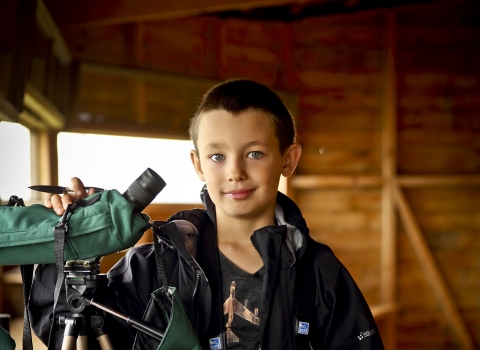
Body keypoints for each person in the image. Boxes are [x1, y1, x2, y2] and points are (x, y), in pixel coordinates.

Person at [28, 79, 384, 349]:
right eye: (217, 156)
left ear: (288, 159)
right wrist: (64, 246)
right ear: (197, 164)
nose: (235, 172)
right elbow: (62, 326)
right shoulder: (156, 266)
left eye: (255, 153)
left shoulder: (319, 272)